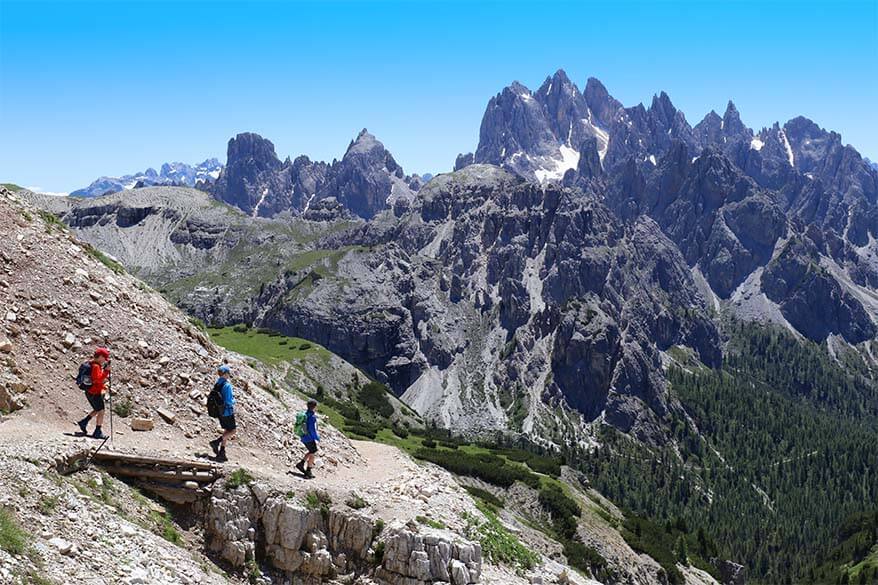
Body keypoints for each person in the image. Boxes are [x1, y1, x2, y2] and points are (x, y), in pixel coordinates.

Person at [76, 347, 110, 439]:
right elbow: (97, 380)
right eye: (104, 358)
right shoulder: (96, 366)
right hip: (95, 392)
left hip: (89, 392)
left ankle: (84, 422)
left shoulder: (91, 363)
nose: (104, 361)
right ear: (101, 357)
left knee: (97, 409)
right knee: (101, 411)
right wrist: (106, 371)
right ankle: (97, 432)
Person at [209, 364, 236, 462]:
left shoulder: (218, 383)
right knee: (232, 431)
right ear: (225, 374)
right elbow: (229, 400)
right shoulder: (227, 385)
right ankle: (216, 442)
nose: (229, 374)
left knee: (227, 430)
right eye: (228, 373)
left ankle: (222, 452)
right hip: (227, 411)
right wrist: (234, 401)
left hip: (219, 411)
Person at [295, 399, 320, 479]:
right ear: (314, 407)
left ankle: (301, 464)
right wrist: (317, 438)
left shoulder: (305, 414)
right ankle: (308, 471)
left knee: (311, 451)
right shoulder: (312, 417)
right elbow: (312, 430)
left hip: (303, 436)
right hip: (309, 437)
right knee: (313, 452)